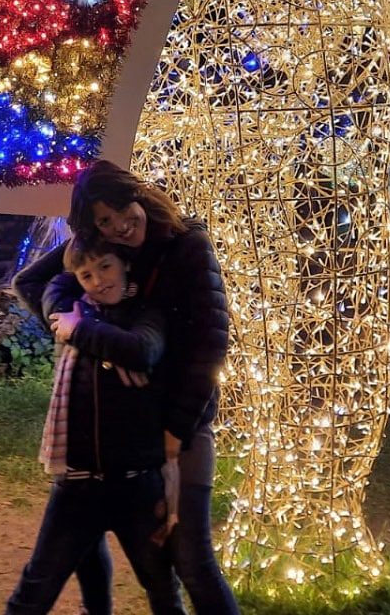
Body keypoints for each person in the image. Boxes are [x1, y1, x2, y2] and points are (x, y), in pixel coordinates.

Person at [14, 159, 238, 615]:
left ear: (139, 195)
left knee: (189, 559)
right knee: (103, 533)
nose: (120, 226)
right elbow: (37, 280)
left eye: (122, 210)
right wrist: (74, 326)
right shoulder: (104, 248)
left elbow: (210, 345)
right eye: (104, 221)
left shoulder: (186, 244)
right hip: (130, 427)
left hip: (183, 420)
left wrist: (177, 429)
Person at [3, 237, 184, 615]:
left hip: (138, 484)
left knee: (163, 590)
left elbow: (141, 350)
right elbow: (29, 283)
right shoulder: (71, 310)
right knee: (34, 591)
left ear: (126, 264)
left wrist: (79, 331)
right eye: (86, 275)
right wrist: (80, 239)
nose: (99, 280)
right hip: (78, 485)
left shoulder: (147, 312)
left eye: (106, 266)